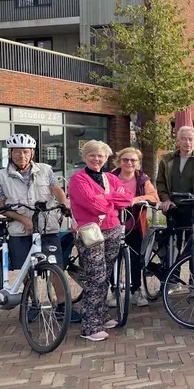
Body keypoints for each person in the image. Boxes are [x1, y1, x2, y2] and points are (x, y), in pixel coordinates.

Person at [0, 133, 80, 323]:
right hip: (20, 230)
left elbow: (57, 190)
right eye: (16, 152)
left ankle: (62, 306)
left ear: (32, 152)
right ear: (10, 153)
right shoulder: (0, 176)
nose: (21, 155)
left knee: (56, 265)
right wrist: (22, 218)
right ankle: (33, 303)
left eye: (25, 151)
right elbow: (0, 206)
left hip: (47, 227)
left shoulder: (46, 170)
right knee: (26, 269)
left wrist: (64, 204)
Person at [68, 140, 133, 342]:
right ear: (85, 157)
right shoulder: (78, 179)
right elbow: (93, 205)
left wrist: (106, 197)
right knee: (95, 275)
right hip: (90, 232)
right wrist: (112, 199)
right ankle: (89, 325)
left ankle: (102, 315)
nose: (97, 159)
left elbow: (128, 198)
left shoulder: (111, 177)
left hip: (111, 229)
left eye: (101, 156)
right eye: (92, 155)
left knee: (105, 275)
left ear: (106, 159)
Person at [110, 147, 159, 308]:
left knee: (135, 259)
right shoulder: (110, 177)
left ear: (138, 163)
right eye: (125, 160)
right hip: (113, 223)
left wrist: (137, 199)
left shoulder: (142, 179)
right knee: (111, 258)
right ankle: (114, 290)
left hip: (135, 225)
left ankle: (135, 290)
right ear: (119, 161)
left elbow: (154, 196)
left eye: (133, 160)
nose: (129, 163)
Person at [155, 125, 194, 214]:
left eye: (190, 139)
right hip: (172, 207)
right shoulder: (167, 160)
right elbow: (161, 183)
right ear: (178, 141)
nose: (187, 142)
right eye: (183, 139)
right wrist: (166, 200)